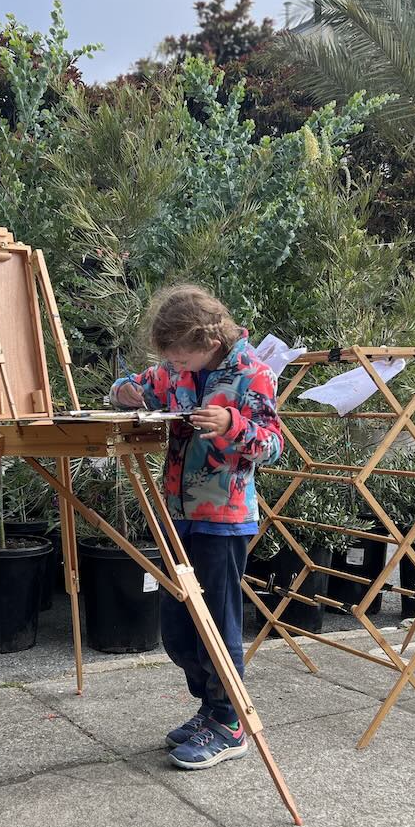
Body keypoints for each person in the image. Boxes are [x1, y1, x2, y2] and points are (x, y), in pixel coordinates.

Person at [111, 285, 282, 771]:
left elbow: (272, 445)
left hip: (224, 521)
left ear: (209, 339)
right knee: (178, 630)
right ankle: (210, 706)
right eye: (167, 358)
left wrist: (231, 423)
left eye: (179, 356)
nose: (172, 367)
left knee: (217, 626)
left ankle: (229, 721)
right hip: (174, 514)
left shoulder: (255, 375)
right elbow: (135, 385)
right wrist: (124, 391)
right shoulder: (172, 370)